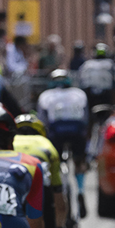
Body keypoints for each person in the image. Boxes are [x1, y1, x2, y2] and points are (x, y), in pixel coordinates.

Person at [37, 69, 90, 219]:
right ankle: (80, 190)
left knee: (55, 162)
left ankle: (58, 189)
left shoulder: (45, 96)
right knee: (79, 162)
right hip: (77, 132)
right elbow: (85, 118)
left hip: (56, 134)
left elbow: (42, 121)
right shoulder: (79, 94)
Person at [78, 42, 115, 107]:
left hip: (96, 93)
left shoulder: (87, 64)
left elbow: (81, 78)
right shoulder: (110, 64)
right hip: (100, 93)